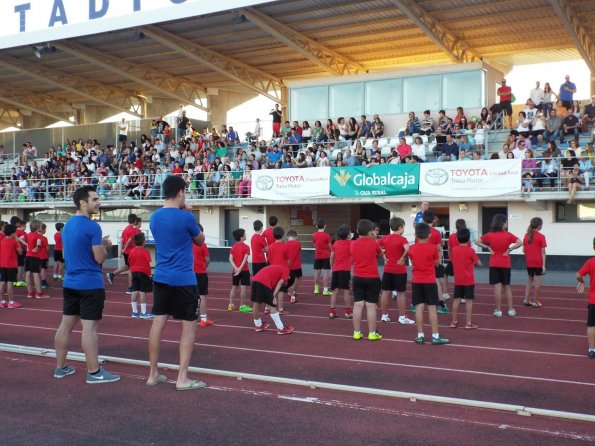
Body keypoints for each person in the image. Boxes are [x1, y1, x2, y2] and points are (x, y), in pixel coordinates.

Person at [53, 186, 119, 383]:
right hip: (90, 283)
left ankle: (60, 367)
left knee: (65, 325)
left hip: (71, 282)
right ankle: (94, 372)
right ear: (83, 202)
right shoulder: (92, 227)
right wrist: (105, 248)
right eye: (95, 199)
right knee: (89, 328)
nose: (99, 202)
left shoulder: (67, 226)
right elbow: (99, 258)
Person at [147, 175, 206, 390]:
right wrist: (187, 212)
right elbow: (200, 240)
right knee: (188, 328)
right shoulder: (186, 217)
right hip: (183, 279)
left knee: (157, 325)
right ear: (180, 192)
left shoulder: (154, 217)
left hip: (161, 277)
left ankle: (153, 373)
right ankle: (182, 378)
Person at [409, 222, 449, 345]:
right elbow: (437, 264)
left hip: (416, 281)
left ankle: (420, 335)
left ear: (415, 235)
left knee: (419, 308)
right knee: (432, 307)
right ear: (429, 235)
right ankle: (435, 336)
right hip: (430, 280)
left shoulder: (412, 248)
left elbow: (412, 261)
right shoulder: (432, 248)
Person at [476, 214, 523, 318]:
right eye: (506, 222)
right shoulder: (508, 235)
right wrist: (510, 249)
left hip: (494, 263)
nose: (507, 224)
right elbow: (520, 242)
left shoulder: (490, 235)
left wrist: (488, 248)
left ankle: (498, 310)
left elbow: (477, 241)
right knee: (507, 287)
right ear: (502, 223)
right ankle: (511, 310)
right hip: (505, 263)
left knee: (497, 287)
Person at [350, 219, 383, 341]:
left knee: (358, 305)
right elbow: (380, 255)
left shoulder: (352, 244)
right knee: (371, 306)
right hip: (372, 277)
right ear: (371, 232)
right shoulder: (374, 243)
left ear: (358, 231)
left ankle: (357, 332)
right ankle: (372, 333)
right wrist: (373, 239)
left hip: (358, 277)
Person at [378, 217, 414, 325]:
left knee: (385, 292)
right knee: (401, 294)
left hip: (388, 269)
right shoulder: (403, 239)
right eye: (403, 227)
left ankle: (384, 316)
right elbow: (408, 249)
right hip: (399, 270)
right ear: (400, 227)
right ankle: (402, 317)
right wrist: (403, 257)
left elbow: (376, 245)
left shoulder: (386, 238)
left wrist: (383, 255)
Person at [449, 228, 482, 330]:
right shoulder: (470, 250)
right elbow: (479, 263)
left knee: (456, 300)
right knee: (469, 301)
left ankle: (454, 321)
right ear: (468, 239)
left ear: (457, 238)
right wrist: (472, 263)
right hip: (468, 280)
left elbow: (453, 260)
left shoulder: (454, 250)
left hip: (458, 279)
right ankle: (468, 323)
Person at [251, 264, 294, 334]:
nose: (284, 284)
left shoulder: (278, 272)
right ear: (289, 278)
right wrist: (273, 296)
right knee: (272, 305)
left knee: (256, 303)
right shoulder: (286, 271)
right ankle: (281, 328)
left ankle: (258, 325)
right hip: (263, 281)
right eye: (285, 284)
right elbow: (280, 283)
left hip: (255, 280)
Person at [106, 214, 141, 293]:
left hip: (126, 252)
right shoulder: (132, 229)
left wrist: (121, 251)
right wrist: (124, 249)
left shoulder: (125, 229)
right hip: (130, 252)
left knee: (128, 266)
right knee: (131, 269)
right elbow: (129, 240)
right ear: (135, 221)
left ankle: (112, 274)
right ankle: (130, 288)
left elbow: (121, 240)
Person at [576, 237, 595, 359]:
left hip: (593, 299)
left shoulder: (590, 262)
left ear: (594, 247)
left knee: (592, 324)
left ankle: (592, 349)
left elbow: (578, 275)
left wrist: (582, 282)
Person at [329, 225, 353, 320]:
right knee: (346, 291)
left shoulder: (336, 243)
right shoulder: (351, 243)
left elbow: (332, 256)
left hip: (336, 270)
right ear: (348, 235)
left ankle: (332, 311)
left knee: (334, 291)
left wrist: (332, 267)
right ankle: (347, 312)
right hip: (345, 270)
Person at [128, 232, 153, 319]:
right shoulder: (145, 252)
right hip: (143, 272)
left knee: (134, 291)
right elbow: (147, 264)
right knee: (142, 292)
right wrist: (149, 274)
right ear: (143, 242)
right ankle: (143, 312)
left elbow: (130, 262)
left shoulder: (132, 251)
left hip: (134, 272)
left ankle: (134, 312)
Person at [522, 217, 547, 308]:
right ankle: (535, 301)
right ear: (539, 226)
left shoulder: (526, 235)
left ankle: (526, 299)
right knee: (537, 281)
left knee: (529, 280)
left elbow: (523, 250)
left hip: (529, 261)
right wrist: (544, 265)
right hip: (538, 261)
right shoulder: (541, 236)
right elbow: (543, 251)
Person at [267, 226, 290, 313]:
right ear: (283, 235)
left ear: (273, 235)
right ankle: (280, 309)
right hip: (282, 271)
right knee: (281, 290)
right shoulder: (286, 246)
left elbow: (269, 259)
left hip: (272, 270)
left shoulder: (271, 247)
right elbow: (288, 260)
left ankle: (267, 307)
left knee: (271, 289)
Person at [193, 224, 213, 327]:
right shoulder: (202, 245)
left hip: (189, 273)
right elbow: (207, 260)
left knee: (189, 295)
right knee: (202, 296)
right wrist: (204, 267)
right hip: (200, 272)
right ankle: (203, 319)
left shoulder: (187, 244)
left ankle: (189, 317)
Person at [228, 228, 252, 313]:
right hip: (244, 270)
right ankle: (242, 306)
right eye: (245, 234)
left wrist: (236, 268)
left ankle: (230, 305)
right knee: (243, 289)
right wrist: (240, 269)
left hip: (235, 270)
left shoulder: (233, 247)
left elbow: (230, 259)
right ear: (242, 237)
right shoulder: (246, 247)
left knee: (234, 287)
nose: (246, 236)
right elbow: (245, 260)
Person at [0, 224, 23, 309]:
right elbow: (20, 252)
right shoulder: (14, 242)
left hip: (3, 264)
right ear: (13, 233)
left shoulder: (2, 241)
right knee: (10, 283)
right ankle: (11, 302)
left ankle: (2, 301)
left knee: (2, 282)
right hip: (11, 265)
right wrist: (16, 239)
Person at [25, 220, 48, 299]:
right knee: (36, 274)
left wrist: (28, 247)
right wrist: (37, 248)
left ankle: (30, 293)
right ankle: (39, 293)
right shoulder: (38, 236)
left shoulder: (28, 234)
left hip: (27, 255)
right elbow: (38, 244)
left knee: (28, 274)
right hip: (34, 256)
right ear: (38, 227)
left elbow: (20, 239)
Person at [312, 218, 332, 296]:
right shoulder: (327, 235)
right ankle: (325, 290)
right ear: (325, 226)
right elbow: (330, 246)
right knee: (326, 273)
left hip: (317, 256)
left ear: (316, 226)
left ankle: (316, 289)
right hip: (326, 256)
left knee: (317, 272)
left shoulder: (314, 235)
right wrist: (331, 251)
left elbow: (314, 244)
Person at [285, 230, 302, 304]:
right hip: (296, 266)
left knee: (293, 281)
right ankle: (292, 296)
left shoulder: (285, 244)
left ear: (287, 237)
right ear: (296, 237)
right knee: (295, 281)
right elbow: (299, 251)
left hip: (288, 266)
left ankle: (291, 292)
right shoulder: (298, 243)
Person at [39, 223, 50, 289]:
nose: (46, 230)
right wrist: (48, 254)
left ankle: (38, 282)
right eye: (45, 229)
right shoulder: (44, 238)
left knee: (37, 270)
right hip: (43, 255)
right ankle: (43, 283)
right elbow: (47, 248)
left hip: (37, 256)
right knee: (43, 269)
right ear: (42, 229)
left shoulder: (35, 236)